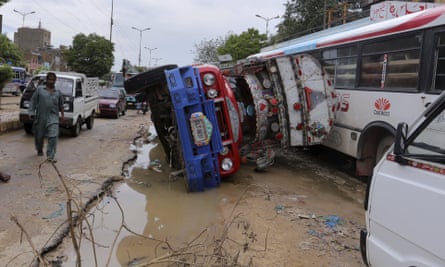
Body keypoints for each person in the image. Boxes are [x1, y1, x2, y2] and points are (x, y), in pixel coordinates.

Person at [28, 72, 64, 163]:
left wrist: (62, 116)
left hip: (53, 117)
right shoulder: (40, 90)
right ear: (46, 80)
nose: (51, 81)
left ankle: (50, 155)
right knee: (39, 136)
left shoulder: (58, 92)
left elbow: (61, 105)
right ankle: (39, 149)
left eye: (53, 80)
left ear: (55, 81)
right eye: (49, 79)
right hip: (41, 117)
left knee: (53, 136)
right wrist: (31, 112)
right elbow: (33, 101)